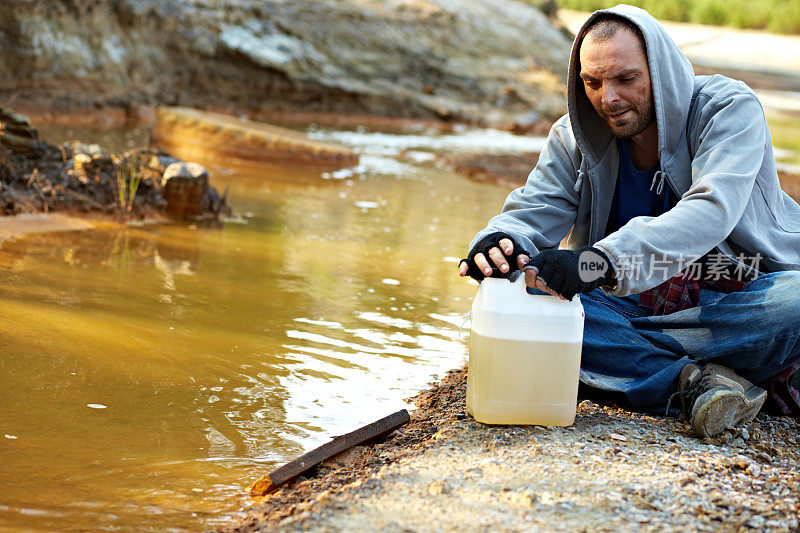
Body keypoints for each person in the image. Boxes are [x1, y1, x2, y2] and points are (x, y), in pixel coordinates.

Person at [459, 4, 800, 438]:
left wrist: (600, 261)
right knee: (524, 291)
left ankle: (630, 363)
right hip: (629, 305)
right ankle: (691, 384)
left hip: (737, 294)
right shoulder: (572, 137)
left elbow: (711, 210)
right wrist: (499, 241)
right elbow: (531, 212)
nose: (608, 98)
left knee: (796, 302)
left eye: (626, 79)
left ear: (660, 70)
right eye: (593, 82)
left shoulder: (728, 109)